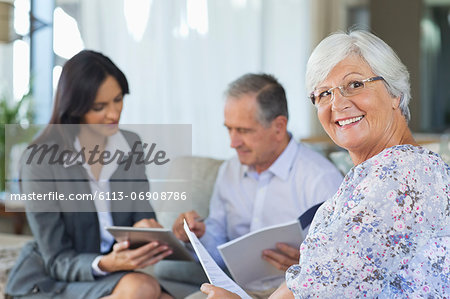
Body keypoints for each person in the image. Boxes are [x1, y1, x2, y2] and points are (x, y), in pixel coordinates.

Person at [200, 30, 450, 298]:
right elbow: (319, 278)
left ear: (394, 93)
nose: (338, 103)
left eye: (355, 84)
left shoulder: (400, 174)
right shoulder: (378, 173)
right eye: (323, 94)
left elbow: (326, 288)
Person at [6, 50, 173, 299]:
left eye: (118, 99)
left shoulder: (130, 145)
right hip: (53, 278)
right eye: (99, 107)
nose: (114, 113)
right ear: (75, 108)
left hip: (115, 275)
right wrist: (107, 264)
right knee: (142, 288)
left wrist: (150, 230)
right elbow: (57, 259)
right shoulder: (39, 160)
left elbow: (142, 215)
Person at [172, 73, 343, 297]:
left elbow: (341, 265)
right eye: (229, 129)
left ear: (279, 127)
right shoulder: (230, 171)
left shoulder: (321, 179)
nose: (233, 143)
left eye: (243, 131)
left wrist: (309, 264)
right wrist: (196, 235)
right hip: (234, 289)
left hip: (295, 293)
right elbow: (217, 252)